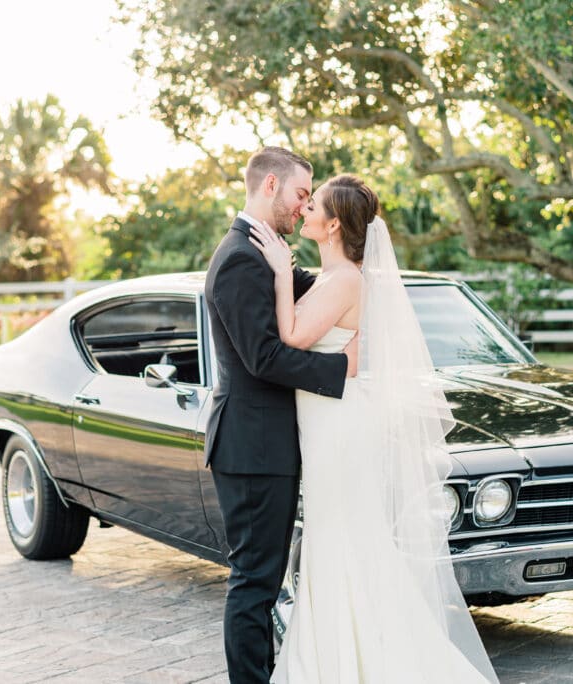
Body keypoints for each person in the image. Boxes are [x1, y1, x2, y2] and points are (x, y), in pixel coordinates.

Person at [250, 174, 497, 683]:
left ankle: (347, 663)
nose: (304, 211)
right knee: (342, 537)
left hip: (337, 428)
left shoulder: (343, 280)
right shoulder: (338, 275)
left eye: (312, 205)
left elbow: (292, 336)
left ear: (334, 223)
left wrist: (278, 272)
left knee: (340, 537)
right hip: (332, 421)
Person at [204, 146, 359, 684]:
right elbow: (264, 357)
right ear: (270, 187)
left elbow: (312, 302)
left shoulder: (263, 253)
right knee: (254, 581)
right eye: (299, 195)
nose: (302, 207)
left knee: (263, 579)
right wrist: (343, 367)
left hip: (269, 444)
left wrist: (353, 280)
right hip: (251, 448)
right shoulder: (239, 259)